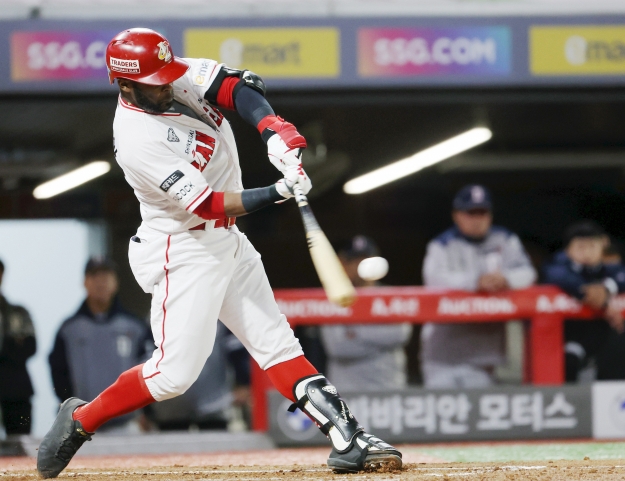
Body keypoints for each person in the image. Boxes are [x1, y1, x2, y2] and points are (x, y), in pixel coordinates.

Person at [37, 28, 400, 478]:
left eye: (167, 74)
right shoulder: (136, 138)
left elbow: (234, 86)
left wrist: (273, 131)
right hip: (182, 247)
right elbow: (207, 203)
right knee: (173, 376)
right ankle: (80, 420)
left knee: (277, 343)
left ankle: (349, 437)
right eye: (155, 80)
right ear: (124, 84)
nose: (168, 84)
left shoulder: (167, 73)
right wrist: (277, 191)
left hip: (225, 240)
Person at [421, 185, 536, 388]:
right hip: (443, 354)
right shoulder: (441, 245)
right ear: (457, 215)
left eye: (482, 212)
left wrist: (506, 279)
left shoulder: (505, 239)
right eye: (470, 213)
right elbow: (433, 280)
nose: (477, 219)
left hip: (484, 355)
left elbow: (528, 272)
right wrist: (474, 282)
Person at [48, 258, 152, 431]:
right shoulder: (69, 330)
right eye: (94, 275)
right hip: (81, 425)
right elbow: (58, 371)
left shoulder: (135, 327)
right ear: (85, 282)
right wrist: (70, 409)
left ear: (116, 282)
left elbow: (150, 369)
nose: (100, 282)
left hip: (127, 424)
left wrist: (147, 412)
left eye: (106, 276)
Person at [542, 221, 625, 381]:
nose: (587, 252)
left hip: (598, 338)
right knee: (569, 361)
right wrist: (602, 302)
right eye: (580, 246)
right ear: (568, 249)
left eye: (592, 246)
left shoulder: (606, 269)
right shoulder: (558, 265)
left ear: (602, 246)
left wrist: (607, 288)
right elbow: (557, 276)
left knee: (620, 347)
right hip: (567, 337)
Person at [320, 236, 411, 391]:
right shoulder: (333, 299)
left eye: (365, 260)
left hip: (389, 391)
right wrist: (382, 338)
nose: (358, 266)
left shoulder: (391, 296)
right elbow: (338, 347)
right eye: (353, 260)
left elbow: (401, 334)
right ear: (343, 263)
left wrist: (354, 332)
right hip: (347, 395)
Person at [149, 321, 250, 431]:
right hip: (172, 404)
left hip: (213, 400)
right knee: (173, 442)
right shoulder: (161, 315)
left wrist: (244, 382)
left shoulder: (220, 318)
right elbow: (147, 361)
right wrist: (147, 409)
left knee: (215, 443)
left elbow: (236, 352)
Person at [0, 259, 36, 437]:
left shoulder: (18, 313)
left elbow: (30, 346)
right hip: (14, 380)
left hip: (16, 391)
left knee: (19, 445)